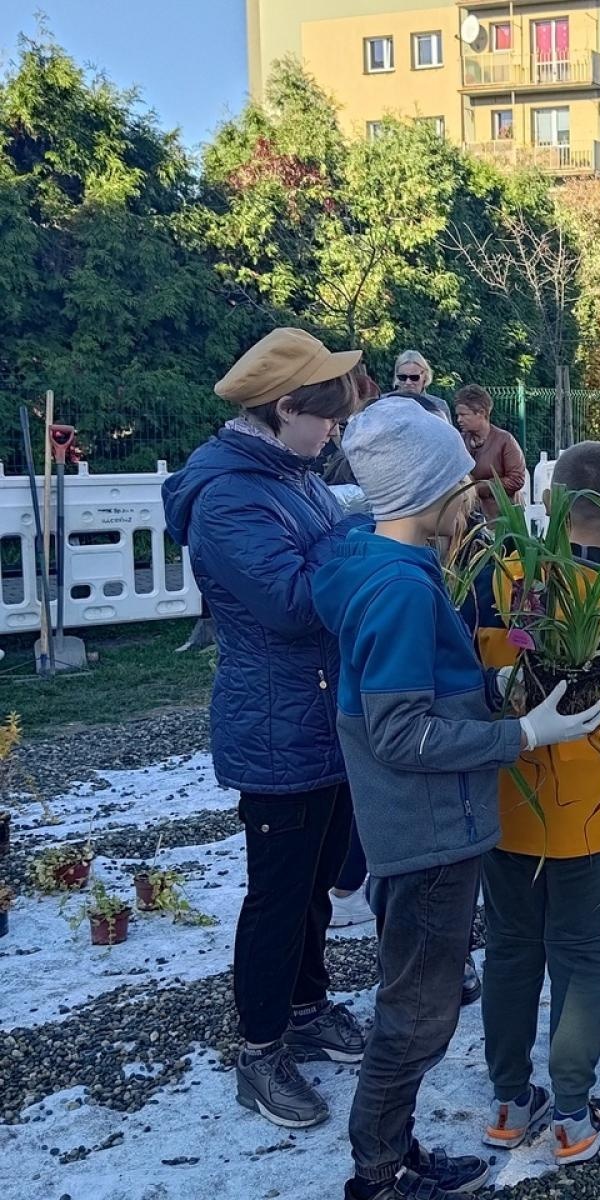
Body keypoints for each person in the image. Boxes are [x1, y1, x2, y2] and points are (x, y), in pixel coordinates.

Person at [313, 399, 600, 1200]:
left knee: (417, 1005)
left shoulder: (381, 568)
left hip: (422, 827)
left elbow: (423, 694)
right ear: (430, 491)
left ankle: (392, 1151)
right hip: (431, 834)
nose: (477, 491)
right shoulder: (403, 590)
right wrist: (525, 735)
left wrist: (492, 685)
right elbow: (402, 733)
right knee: (417, 1016)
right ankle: (376, 1174)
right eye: (463, 480)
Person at [162, 327, 367, 1128]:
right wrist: (358, 538)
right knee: (278, 898)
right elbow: (289, 604)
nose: (334, 434)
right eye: (327, 419)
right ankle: (260, 1050)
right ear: (284, 408)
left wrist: (346, 535)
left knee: (316, 884)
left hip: (319, 713)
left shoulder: (290, 473)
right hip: (279, 724)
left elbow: (321, 562)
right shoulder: (232, 497)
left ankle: (308, 1008)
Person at [471, 441, 600, 1166]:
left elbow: (471, 672)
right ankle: (574, 1115)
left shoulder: (497, 575)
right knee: (582, 956)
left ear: (549, 501)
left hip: (507, 795)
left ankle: (508, 1102)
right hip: (592, 809)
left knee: (512, 949)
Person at [454, 384, 527, 521]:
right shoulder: (460, 440)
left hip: (502, 519)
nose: (459, 420)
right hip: (468, 517)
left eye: (463, 415)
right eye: (457, 415)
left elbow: (517, 479)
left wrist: (478, 488)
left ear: (481, 413)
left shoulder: (505, 440)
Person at [389, 350, 451, 420]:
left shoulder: (439, 406)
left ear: (425, 376)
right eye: (402, 377)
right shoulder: (384, 403)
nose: (408, 382)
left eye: (414, 377)